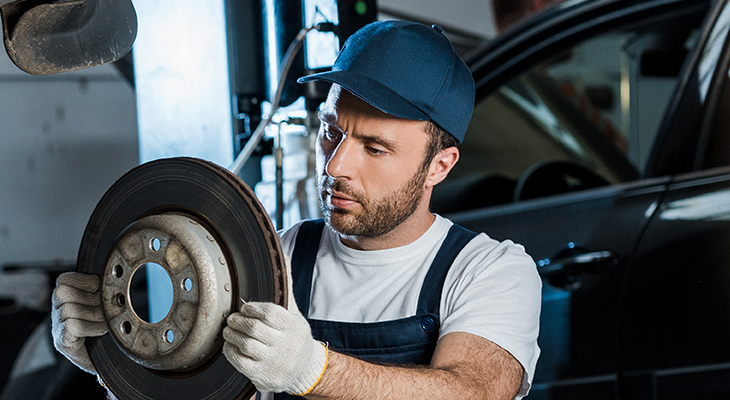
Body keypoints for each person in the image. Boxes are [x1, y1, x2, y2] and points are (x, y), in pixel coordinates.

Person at [52, 20, 540, 399]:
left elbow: (472, 391)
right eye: (332, 131)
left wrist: (314, 370)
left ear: (439, 166)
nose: (336, 165)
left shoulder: (490, 271)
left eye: (375, 148)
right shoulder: (275, 258)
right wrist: (116, 363)